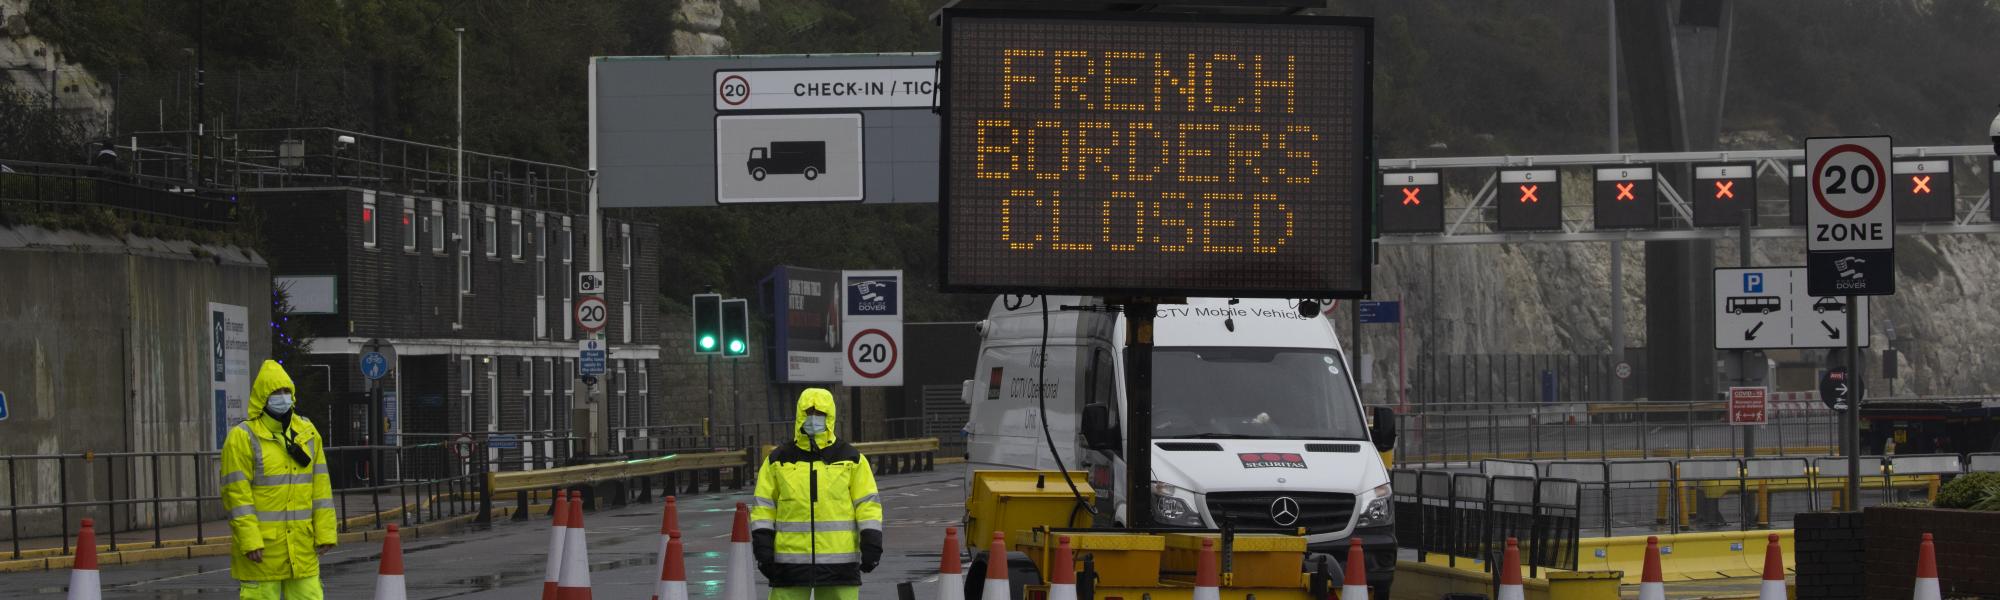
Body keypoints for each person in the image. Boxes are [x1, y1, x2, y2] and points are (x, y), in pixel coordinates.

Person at [750, 388, 885, 600]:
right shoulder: (778, 460)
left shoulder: (851, 459)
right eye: (809, 413)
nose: (814, 419)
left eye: (820, 414)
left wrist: (871, 543)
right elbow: (763, 508)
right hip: (789, 566)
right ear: (799, 415)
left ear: (830, 416)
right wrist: (762, 548)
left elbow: (868, 506)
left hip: (839, 567)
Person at [220, 360, 336, 599]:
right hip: (262, 552)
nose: (282, 397)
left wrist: (325, 533)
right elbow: (237, 496)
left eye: (286, 391)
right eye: (275, 392)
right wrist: (249, 540)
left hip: (302, 549)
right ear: (262, 397)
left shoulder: (307, 433)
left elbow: (321, 490)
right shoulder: (243, 438)